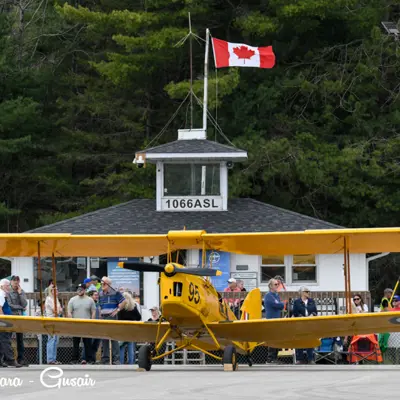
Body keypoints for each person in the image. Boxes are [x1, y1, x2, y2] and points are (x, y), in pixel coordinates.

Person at [98, 276, 127, 364]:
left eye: (104, 283)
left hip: (112, 316)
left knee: (114, 338)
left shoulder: (115, 292)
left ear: (109, 284)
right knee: (104, 338)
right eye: (102, 283)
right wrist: (100, 313)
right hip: (103, 316)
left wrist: (117, 310)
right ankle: (105, 359)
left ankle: (116, 360)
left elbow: (124, 301)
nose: (102, 285)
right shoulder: (100, 293)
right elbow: (99, 304)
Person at [67, 283, 96, 364]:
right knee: (75, 343)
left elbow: (93, 311)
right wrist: (71, 321)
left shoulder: (90, 300)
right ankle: (74, 360)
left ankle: (89, 359)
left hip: (87, 325)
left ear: (85, 290)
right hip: (76, 325)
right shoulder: (72, 300)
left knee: (88, 344)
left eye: (81, 289)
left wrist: (92, 322)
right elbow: (69, 311)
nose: (79, 290)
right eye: (78, 289)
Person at [6, 275, 29, 366]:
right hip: (11, 317)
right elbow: (9, 304)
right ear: (11, 282)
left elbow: (25, 303)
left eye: (17, 281)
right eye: (14, 281)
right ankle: (7, 358)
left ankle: (21, 358)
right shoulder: (8, 292)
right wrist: (20, 307)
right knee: (8, 339)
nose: (16, 282)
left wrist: (19, 294)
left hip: (20, 318)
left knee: (20, 339)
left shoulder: (21, 291)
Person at [292, 286, 317, 364]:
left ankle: (310, 359)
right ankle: (299, 359)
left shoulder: (312, 301)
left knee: (310, 340)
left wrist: (312, 315)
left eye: (308, 291)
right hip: (300, 323)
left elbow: (315, 311)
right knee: (299, 340)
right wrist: (301, 317)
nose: (308, 293)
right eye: (306, 291)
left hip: (309, 323)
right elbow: (295, 313)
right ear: (302, 293)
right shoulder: (296, 302)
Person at [0, 278, 21, 367]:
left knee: (1, 341)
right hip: (3, 321)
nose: (9, 287)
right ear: (2, 286)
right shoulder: (1, 294)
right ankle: (10, 360)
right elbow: (0, 308)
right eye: (7, 285)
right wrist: (3, 319)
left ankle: (0, 361)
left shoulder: (3, 294)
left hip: (4, 320)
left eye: (9, 285)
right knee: (6, 340)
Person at [263, 278, 285, 363]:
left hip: (277, 319)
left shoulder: (276, 295)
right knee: (272, 339)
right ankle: (270, 358)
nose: (277, 286)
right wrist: (281, 304)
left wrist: (280, 304)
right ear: (271, 286)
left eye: (278, 284)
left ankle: (275, 357)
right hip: (271, 319)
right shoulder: (268, 296)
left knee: (277, 339)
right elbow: (277, 305)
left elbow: (279, 305)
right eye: (275, 284)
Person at [118, 291, 141, 364]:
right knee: (131, 348)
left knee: (121, 348)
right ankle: (131, 363)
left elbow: (118, 319)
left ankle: (121, 363)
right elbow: (139, 317)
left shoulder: (121, 308)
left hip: (122, 330)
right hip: (132, 329)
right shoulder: (133, 307)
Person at [45, 285, 62, 365]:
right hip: (51, 320)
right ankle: (50, 359)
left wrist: (59, 310)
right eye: (54, 290)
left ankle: (54, 359)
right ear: (51, 291)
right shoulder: (49, 299)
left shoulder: (56, 299)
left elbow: (60, 310)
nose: (56, 291)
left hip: (56, 320)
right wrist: (58, 310)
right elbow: (56, 311)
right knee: (51, 339)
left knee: (56, 340)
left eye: (57, 290)